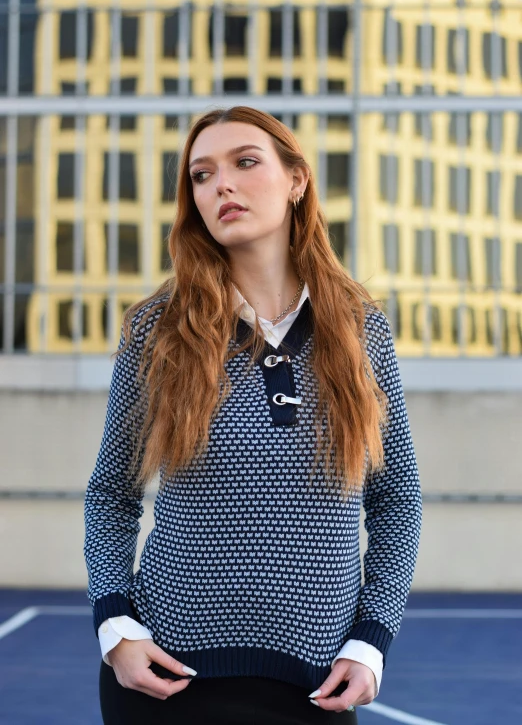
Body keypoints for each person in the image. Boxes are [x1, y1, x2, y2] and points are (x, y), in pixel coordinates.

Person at [84, 106, 422, 725]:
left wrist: (373, 639)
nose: (222, 186)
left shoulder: (360, 329)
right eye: (201, 175)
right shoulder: (158, 330)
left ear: (297, 180)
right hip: (167, 677)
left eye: (245, 162)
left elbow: (396, 496)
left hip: (316, 683)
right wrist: (116, 629)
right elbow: (111, 493)